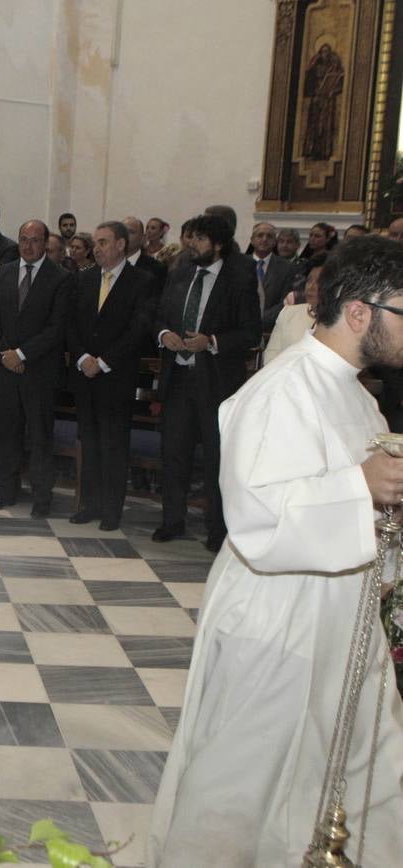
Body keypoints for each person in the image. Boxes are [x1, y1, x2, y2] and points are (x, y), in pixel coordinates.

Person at [149, 236, 403, 866]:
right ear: (361, 312)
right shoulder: (278, 390)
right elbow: (256, 515)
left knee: (367, 771)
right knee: (240, 788)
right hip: (278, 617)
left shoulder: (359, 394)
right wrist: (360, 486)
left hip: (345, 615)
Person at [151, 213, 261, 552]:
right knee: (174, 453)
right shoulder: (181, 271)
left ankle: (217, 528)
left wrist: (211, 341)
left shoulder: (239, 278)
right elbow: (160, 315)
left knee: (216, 458)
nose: (190, 244)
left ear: (218, 244)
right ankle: (172, 520)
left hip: (216, 383)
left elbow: (250, 333)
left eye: (198, 239)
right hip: (179, 378)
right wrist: (164, 334)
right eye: (189, 237)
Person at [66, 222, 155, 530]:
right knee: (88, 441)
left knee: (113, 444)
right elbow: (71, 324)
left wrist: (103, 361)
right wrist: (81, 358)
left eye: (103, 242)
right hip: (84, 373)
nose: (97, 248)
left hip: (115, 375)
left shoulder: (141, 281)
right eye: (95, 242)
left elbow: (138, 328)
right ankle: (89, 503)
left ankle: (111, 510)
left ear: (121, 244)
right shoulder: (84, 277)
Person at [0, 220, 71, 517]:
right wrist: (5, 353)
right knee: (8, 432)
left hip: (40, 371)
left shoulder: (60, 278)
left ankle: (42, 497)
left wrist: (21, 354)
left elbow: (57, 328)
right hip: (5, 368)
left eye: (35, 240)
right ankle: (5, 491)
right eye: (23, 239)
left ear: (45, 243)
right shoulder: (3, 273)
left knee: (39, 435)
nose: (28, 245)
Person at [263, 254, 326, 364]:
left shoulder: (340, 321)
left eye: (319, 282)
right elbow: (271, 355)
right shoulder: (288, 313)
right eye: (309, 280)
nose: (311, 287)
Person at [248, 221, 302, 331]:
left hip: (272, 329)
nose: (264, 239)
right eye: (260, 235)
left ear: (274, 242)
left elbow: (285, 301)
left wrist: (260, 320)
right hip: (240, 329)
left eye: (269, 236)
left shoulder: (287, 268)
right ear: (252, 240)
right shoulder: (239, 264)